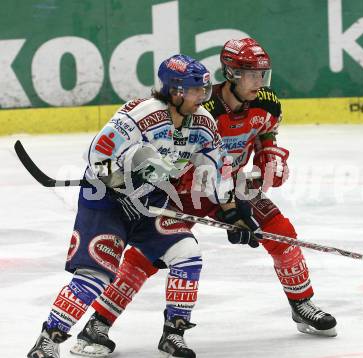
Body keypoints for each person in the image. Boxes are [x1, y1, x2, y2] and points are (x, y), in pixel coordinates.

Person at [70, 38, 337, 358]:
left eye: (263, 75)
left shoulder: (267, 102)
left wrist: (270, 160)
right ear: (231, 73)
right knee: (146, 256)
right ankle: (98, 323)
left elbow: (265, 135)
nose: (259, 82)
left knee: (282, 233)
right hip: (184, 190)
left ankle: (302, 303)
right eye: (251, 75)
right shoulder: (201, 109)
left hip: (232, 186)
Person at [27, 54, 259, 358]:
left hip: (151, 204)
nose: (203, 98)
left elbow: (218, 167)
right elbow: (97, 154)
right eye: (196, 91)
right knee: (94, 276)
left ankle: (173, 334)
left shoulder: (202, 122)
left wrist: (231, 210)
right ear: (176, 91)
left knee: (186, 253)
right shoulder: (139, 115)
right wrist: (122, 185)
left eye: (204, 91)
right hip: (106, 203)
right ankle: (48, 341)